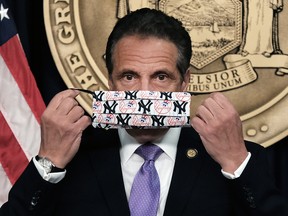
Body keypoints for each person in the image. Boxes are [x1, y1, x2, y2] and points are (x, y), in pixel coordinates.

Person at [1, 8, 288, 216]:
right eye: (129, 77)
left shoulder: (235, 158)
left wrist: (235, 162)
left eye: (161, 77)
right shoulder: (70, 160)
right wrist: (49, 162)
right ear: (110, 82)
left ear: (184, 82)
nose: (144, 91)